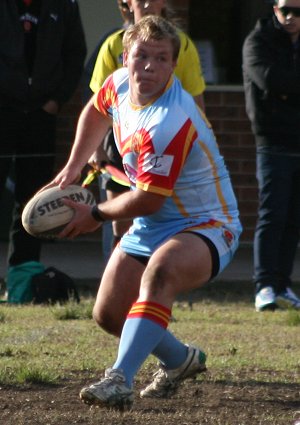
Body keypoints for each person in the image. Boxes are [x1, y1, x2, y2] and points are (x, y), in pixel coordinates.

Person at [46, 15, 242, 409]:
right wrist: (73, 166)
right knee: (109, 314)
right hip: (153, 223)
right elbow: (96, 112)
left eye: (162, 58)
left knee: (161, 272)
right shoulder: (118, 83)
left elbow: (148, 199)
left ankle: (119, 379)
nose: (149, 66)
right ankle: (179, 360)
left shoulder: (171, 120)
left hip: (208, 224)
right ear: (125, 57)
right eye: (141, 56)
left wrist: (95, 215)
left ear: (173, 65)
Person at [89, 0, 206, 254]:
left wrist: (198, 144)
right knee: (122, 225)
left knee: (162, 221)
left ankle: (154, 282)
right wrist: (95, 148)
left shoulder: (182, 44)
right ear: (127, 4)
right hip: (121, 142)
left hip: (164, 142)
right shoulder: (113, 44)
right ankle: (120, 281)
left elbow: (196, 99)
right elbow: (96, 105)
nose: (147, 4)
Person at [0, 0, 86, 295]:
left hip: (41, 113)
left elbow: (75, 54)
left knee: (32, 200)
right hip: (3, 110)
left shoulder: (64, 6)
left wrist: (56, 100)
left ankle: (22, 282)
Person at [243, 0, 300, 311]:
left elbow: (284, 85)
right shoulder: (258, 41)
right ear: (274, 9)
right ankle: (263, 285)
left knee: (293, 219)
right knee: (272, 213)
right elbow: (270, 80)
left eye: (298, 11)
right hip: (272, 141)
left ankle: (282, 284)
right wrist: (284, 88)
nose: (291, 17)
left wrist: (287, 90)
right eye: (285, 10)